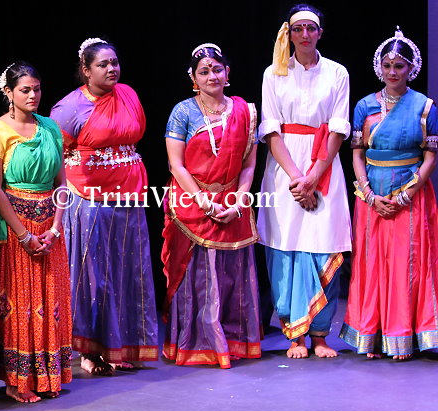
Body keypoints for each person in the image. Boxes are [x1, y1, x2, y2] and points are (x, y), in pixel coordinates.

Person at [50, 38, 158, 376]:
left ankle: (121, 346)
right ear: (86, 70)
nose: (112, 69)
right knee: (93, 276)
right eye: (103, 64)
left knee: (128, 272)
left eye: (114, 62)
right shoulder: (69, 108)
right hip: (89, 199)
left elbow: (134, 135)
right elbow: (56, 155)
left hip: (129, 195)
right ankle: (90, 350)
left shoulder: (128, 94)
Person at [257, 4, 352, 358]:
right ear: (290, 34)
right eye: (298, 29)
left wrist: (313, 177)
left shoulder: (337, 72)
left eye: (311, 28)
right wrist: (298, 179)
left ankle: (321, 335)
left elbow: (338, 127)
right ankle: (294, 335)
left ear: (320, 33)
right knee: (285, 246)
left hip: (324, 166)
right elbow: (271, 129)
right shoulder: (274, 72)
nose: (305, 35)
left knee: (323, 244)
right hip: (284, 170)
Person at [0, 61, 72, 403]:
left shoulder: (50, 128)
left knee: (47, 300)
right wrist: (24, 236)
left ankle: (45, 374)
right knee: (17, 302)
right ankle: (16, 380)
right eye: (25, 90)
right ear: (9, 93)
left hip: (48, 226)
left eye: (37, 89)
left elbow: (62, 184)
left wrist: (56, 229)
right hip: (12, 226)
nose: (33, 95)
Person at [339, 28, 438, 360]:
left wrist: (407, 195)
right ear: (379, 67)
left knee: (406, 263)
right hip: (372, 195)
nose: (392, 72)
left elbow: (430, 157)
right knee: (372, 264)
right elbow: (357, 153)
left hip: (411, 194)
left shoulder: (425, 107)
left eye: (399, 66)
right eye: (387, 65)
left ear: (411, 68)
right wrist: (368, 194)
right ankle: (373, 336)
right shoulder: (365, 105)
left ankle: (403, 335)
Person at [161, 43, 262, 368]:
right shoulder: (183, 112)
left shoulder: (245, 112)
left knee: (232, 276)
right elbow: (176, 165)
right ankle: (198, 343)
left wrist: (240, 199)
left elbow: (249, 165)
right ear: (193, 77)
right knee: (197, 276)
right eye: (204, 71)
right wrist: (202, 200)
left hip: (232, 200)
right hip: (192, 201)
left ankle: (233, 341)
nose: (212, 76)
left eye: (217, 69)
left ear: (227, 73)